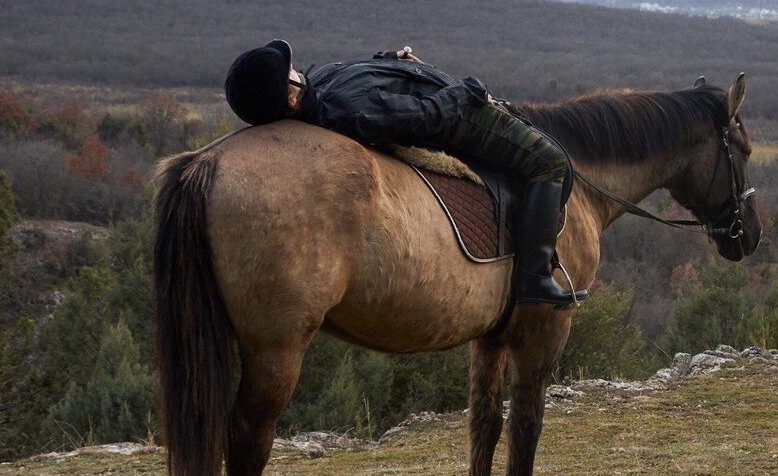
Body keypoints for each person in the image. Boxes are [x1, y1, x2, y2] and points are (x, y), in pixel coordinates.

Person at [223, 39, 586, 308]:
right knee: (550, 161)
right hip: (458, 119)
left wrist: (392, 61)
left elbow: (360, 74)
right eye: (288, 73)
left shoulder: (319, 85)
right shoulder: (348, 110)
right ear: (289, 99)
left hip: (438, 91)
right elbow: (423, 116)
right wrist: (470, 94)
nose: (295, 69)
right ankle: (535, 277)